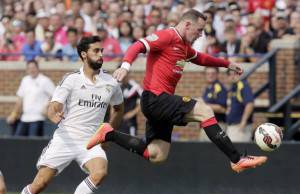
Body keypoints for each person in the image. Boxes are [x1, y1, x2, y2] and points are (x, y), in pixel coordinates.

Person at [87, 9, 267, 174]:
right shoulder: (167, 36)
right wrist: (125, 66)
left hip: (159, 103)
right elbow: (138, 45)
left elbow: (202, 58)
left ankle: (108, 133)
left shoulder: (184, 47)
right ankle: (237, 159)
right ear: (187, 24)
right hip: (155, 98)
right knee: (204, 111)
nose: (200, 34)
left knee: (157, 154)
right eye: (199, 30)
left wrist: (227, 64)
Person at [3, 36, 124, 194]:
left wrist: (107, 133)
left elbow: (119, 109)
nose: (101, 54)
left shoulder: (110, 82)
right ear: (84, 55)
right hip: (66, 138)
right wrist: (55, 116)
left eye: (101, 50)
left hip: (90, 141)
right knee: (39, 183)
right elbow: (53, 107)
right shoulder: (71, 79)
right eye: (96, 51)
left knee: (100, 172)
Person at [6, 60, 55, 137]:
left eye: (33, 67)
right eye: (29, 68)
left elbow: (55, 95)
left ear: (38, 68)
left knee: (32, 144)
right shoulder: (25, 80)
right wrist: (13, 114)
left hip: (38, 118)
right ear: (27, 70)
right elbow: (20, 99)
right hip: (24, 118)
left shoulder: (45, 80)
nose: (32, 70)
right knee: (16, 142)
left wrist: (47, 106)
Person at [199, 67, 227, 141]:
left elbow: (222, 109)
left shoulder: (219, 88)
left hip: (217, 125)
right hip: (206, 125)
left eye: (213, 73)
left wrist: (203, 105)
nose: (210, 75)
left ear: (217, 75)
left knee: (214, 151)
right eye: (208, 73)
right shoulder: (207, 88)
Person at [226, 70, 254, 142]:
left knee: (239, 151)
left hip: (240, 127)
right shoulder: (233, 87)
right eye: (230, 74)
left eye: (235, 74)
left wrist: (243, 122)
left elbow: (250, 104)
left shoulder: (243, 85)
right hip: (232, 126)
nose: (232, 76)